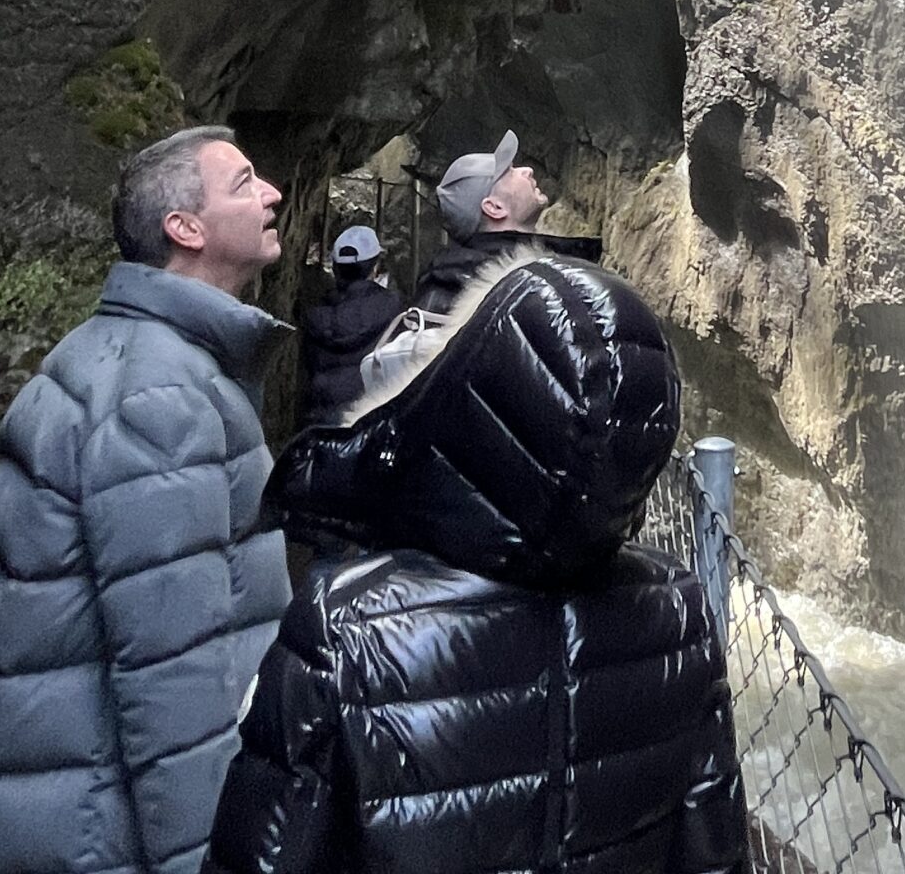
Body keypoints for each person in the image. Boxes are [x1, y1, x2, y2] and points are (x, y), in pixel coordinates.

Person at [202, 254, 749, 874]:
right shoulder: (679, 611)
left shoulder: (345, 627)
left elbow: (267, 852)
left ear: (468, 394)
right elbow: (715, 853)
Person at [0, 126, 293, 874]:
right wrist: (210, 860)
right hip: (91, 833)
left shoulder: (117, 355)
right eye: (244, 181)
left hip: (38, 811)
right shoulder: (161, 399)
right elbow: (174, 674)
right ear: (184, 228)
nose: (273, 193)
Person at [414, 129, 600, 312]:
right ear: (494, 207)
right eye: (509, 172)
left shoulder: (448, 283)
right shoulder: (518, 287)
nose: (527, 170)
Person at [298, 224, 403, 422]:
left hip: (321, 423)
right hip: (372, 421)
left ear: (336, 269)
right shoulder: (392, 306)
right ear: (375, 267)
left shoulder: (315, 317)